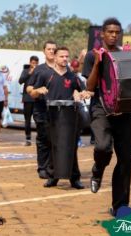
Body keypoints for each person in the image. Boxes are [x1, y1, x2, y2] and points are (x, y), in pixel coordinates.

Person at [82, 18, 131, 216]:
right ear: (102, 34)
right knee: (103, 147)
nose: (113, 35)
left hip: (124, 111)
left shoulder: (125, 55)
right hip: (101, 109)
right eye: (110, 32)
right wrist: (97, 63)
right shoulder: (91, 56)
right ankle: (98, 169)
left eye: (117, 32)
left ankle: (120, 205)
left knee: (126, 159)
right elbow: (89, 87)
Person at [30, 46, 88, 189]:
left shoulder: (72, 76)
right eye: (62, 56)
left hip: (70, 116)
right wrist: (38, 90)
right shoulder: (46, 75)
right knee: (53, 146)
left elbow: (84, 90)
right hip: (51, 115)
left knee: (71, 146)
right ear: (55, 58)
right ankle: (52, 177)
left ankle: (75, 178)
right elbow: (32, 93)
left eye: (66, 56)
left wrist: (82, 94)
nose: (65, 59)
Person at [26, 40, 57, 179]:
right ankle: (42, 168)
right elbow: (29, 88)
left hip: (58, 111)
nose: (51, 51)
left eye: (53, 49)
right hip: (41, 110)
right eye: (49, 49)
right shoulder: (39, 69)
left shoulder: (62, 68)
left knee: (55, 140)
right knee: (43, 139)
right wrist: (37, 90)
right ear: (44, 51)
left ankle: (53, 167)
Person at [19, 56, 39, 146]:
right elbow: (20, 81)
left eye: (36, 63)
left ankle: (39, 139)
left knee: (38, 120)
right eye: (33, 63)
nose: (34, 64)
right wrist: (29, 73)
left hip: (37, 99)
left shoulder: (39, 71)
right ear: (30, 63)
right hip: (27, 99)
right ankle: (28, 139)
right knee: (27, 120)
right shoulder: (25, 71)